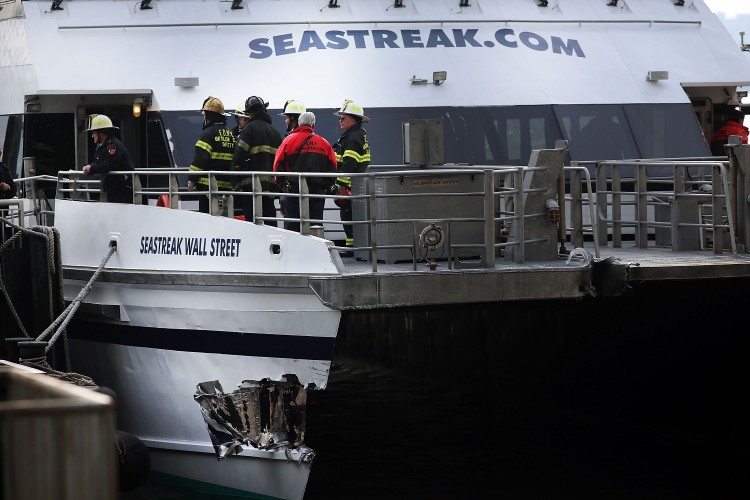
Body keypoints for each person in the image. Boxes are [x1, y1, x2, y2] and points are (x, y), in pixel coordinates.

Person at [273, 112, 337, 233]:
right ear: (313, 124)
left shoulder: (288, 141)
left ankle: (292, 250)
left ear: (299, 123)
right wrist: (326, 185)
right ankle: (315, 249)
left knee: (292, 226)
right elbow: (333, 167)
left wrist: (282, 185)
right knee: (315, 225)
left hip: (294, 190)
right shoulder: (324, 143)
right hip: (317, 191)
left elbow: (278, 165)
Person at [232, 96, 282, 225]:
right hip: (270, 185)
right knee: (270, 219)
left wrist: (235, 181)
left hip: (251, 186)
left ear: (249, 113)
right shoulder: (275, 132)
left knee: (252, 222)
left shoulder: (249, 129)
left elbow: (238, 155)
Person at [332, 99, 371, 253]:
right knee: (350, 217)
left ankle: (352, 248)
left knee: (348, 217)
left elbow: (349, 164)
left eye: (343, 118)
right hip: (353, 185)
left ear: (353, 120)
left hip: (349, 186)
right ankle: (353, 247)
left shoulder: (353, 138)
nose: (340, 121)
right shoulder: (354, 135)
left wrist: (340, 186)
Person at [187, 96, 236, 214]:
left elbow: (200, 158)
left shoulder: (207, 133)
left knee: (207, 222)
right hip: (226, 187)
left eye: (205, 115)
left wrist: (191, 180)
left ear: (208, 116)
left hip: (207, 187)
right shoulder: (230, 134)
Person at [82, 114, 134, 204]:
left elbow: (108, 165)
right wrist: (90, 166)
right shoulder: (102, 146)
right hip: (113, 188)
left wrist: (91, 169)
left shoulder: (112, 145)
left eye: (93, 132)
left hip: (122, 190)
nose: (92, 136)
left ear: (101, 132)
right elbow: (98, 162)